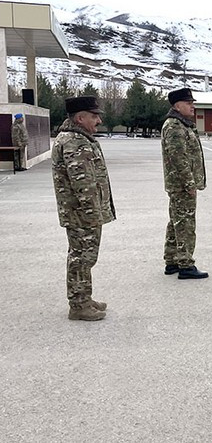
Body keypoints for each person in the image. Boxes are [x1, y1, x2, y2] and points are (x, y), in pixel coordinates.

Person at [51, 96, 115, 321]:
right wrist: (92, 213)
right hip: (82, 213)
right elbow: (83, 183)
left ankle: (83, 297)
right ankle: (78, 305)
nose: (98, 120)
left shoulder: (79, 138)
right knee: (82, 257)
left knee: (84, 256)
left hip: (82, 212)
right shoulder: (74, 142)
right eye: (94, 116)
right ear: (80, 118)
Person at [162, 87, 209, 279]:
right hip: (181, 185)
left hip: (180, 184)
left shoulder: (181, 124)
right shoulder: (174, 126)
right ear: (177, 105)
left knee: (176, 221)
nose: (192, 106)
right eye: (188, 103)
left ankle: (172, 260)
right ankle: (186, 264)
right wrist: (190, 183)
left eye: (192, 103)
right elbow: (178, 157)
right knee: (185, 224)